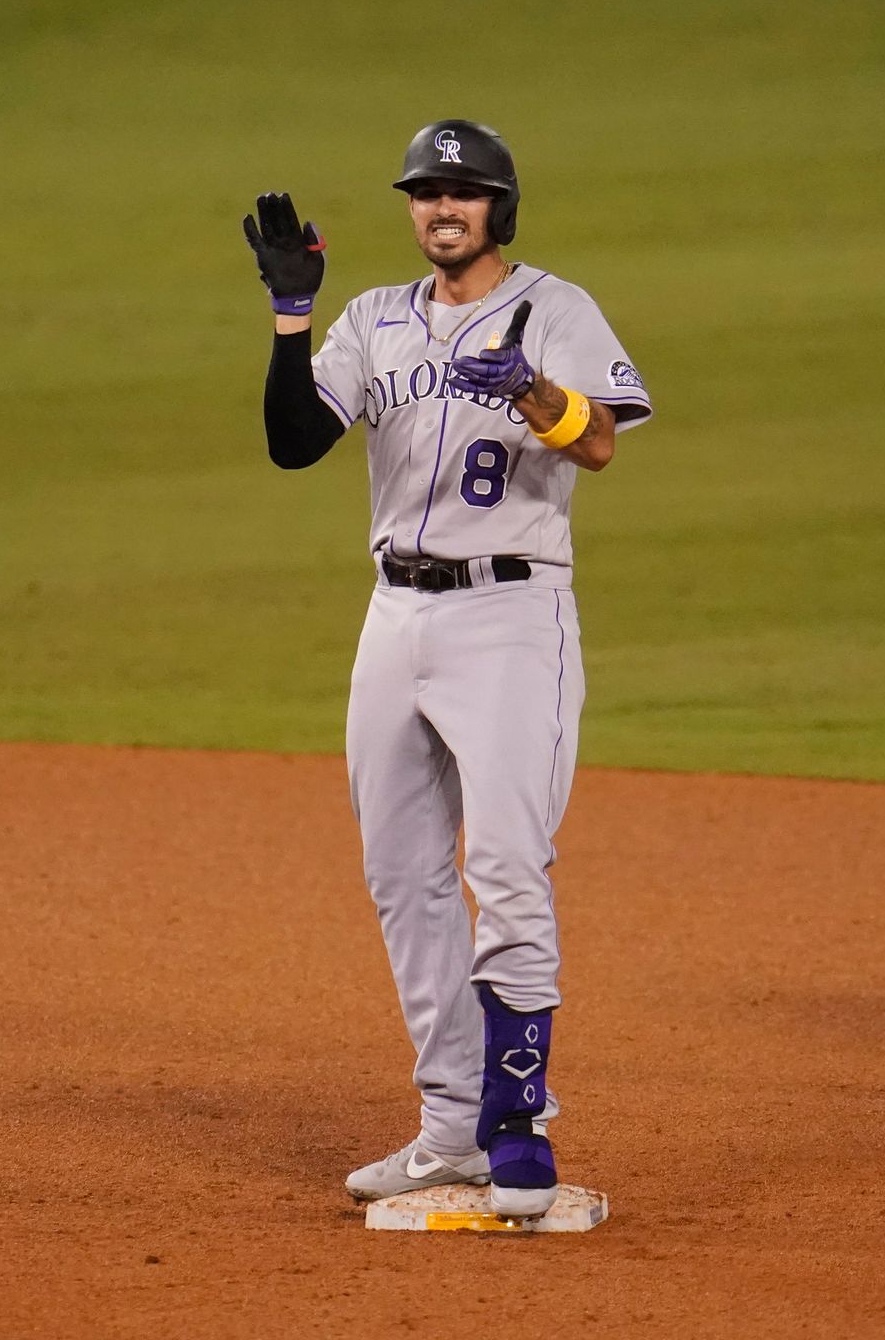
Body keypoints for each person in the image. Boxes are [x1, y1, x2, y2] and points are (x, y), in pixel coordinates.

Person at [243, 120, 653, 1213]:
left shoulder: (556, 310)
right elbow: (293, 441)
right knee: (402, 874)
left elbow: (601, 443)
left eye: (464, 193)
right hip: (395, 619)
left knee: (509, 864)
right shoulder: (376, 318)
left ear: (498, 208)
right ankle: (450, 1123)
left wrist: (531, 390)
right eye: (427, 191)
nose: (442, 208)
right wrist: (293, 318)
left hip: (513, 616)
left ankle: (516, 1125)